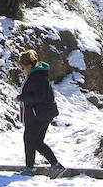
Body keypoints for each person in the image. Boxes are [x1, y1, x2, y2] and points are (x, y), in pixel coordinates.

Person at [14, 49, 65, 179]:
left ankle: (29, 169)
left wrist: (21, 98)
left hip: (38, 115)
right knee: (37, 142)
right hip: (42, 114)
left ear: (29, 66)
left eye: (23, 68)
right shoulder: (37, 76)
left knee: (29, 140)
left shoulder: (37, 77)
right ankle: (56, 165)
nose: (22, 71)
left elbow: (37, 96)